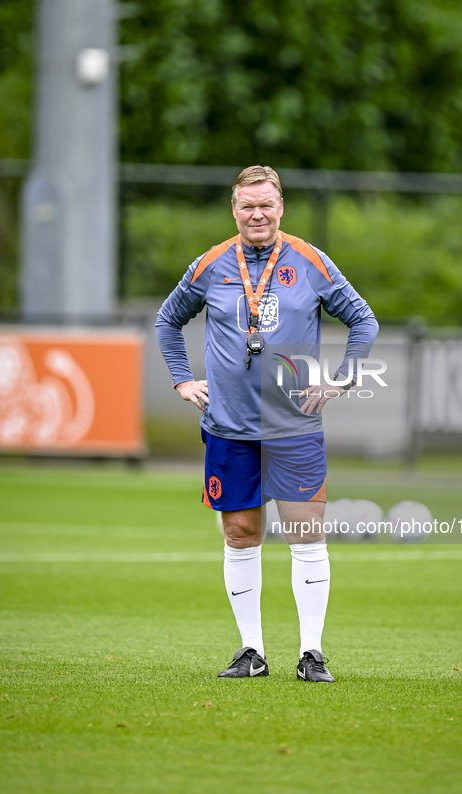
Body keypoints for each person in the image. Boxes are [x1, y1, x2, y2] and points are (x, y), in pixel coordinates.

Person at [156, 165, 378, 682]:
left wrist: (342, 378)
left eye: (266, 204)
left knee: (306, 534)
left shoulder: (311, 261)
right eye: (246, 205)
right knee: (239, 533)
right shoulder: (211, 264)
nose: (257, 214)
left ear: (281, 207)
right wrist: (181, 380)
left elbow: (362, 319)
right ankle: (251, 651)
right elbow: (169, 319)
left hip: (294, 428)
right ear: (234, 210)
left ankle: (312, 654)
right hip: (228, 427)